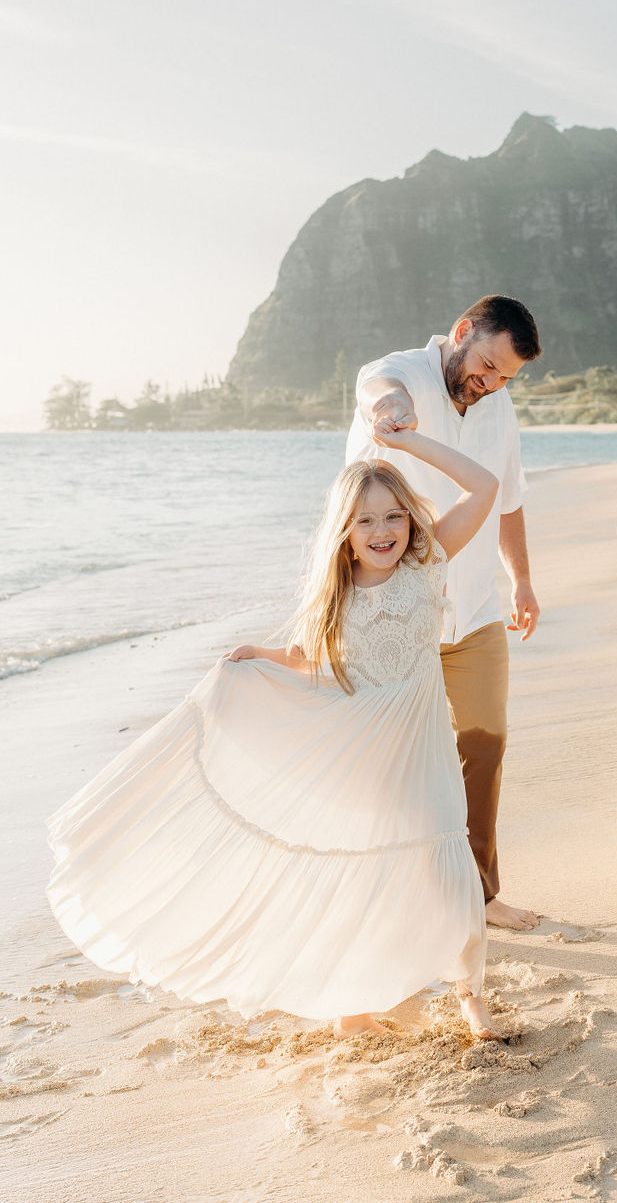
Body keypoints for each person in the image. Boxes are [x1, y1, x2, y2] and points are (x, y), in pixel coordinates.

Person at [48, 427, 501, 1041]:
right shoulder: (339, 594)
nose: (383, 530)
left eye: (395, 514)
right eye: (366, 520)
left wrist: (407, 446)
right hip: (362, 751)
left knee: (445, 861)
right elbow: (306, 654)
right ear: (344, 531)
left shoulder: (428, 562)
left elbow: (485, 485)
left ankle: (470, 991)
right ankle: (355, 1008)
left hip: (421, 746)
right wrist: (257, 656)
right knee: (365, 872)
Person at [346, 295, 542, 932]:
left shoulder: (499, 406)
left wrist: (523, 584)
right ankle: (398, 903)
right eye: (485, 365)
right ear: (462, 332)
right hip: (396, 612)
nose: (488, 384)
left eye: (504, 377)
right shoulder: (401, 373)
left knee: (484, 747)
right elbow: (376, 384)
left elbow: (506, 498)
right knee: (396, 765)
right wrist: (391, 409)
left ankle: (480, 895)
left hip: (476, 604)